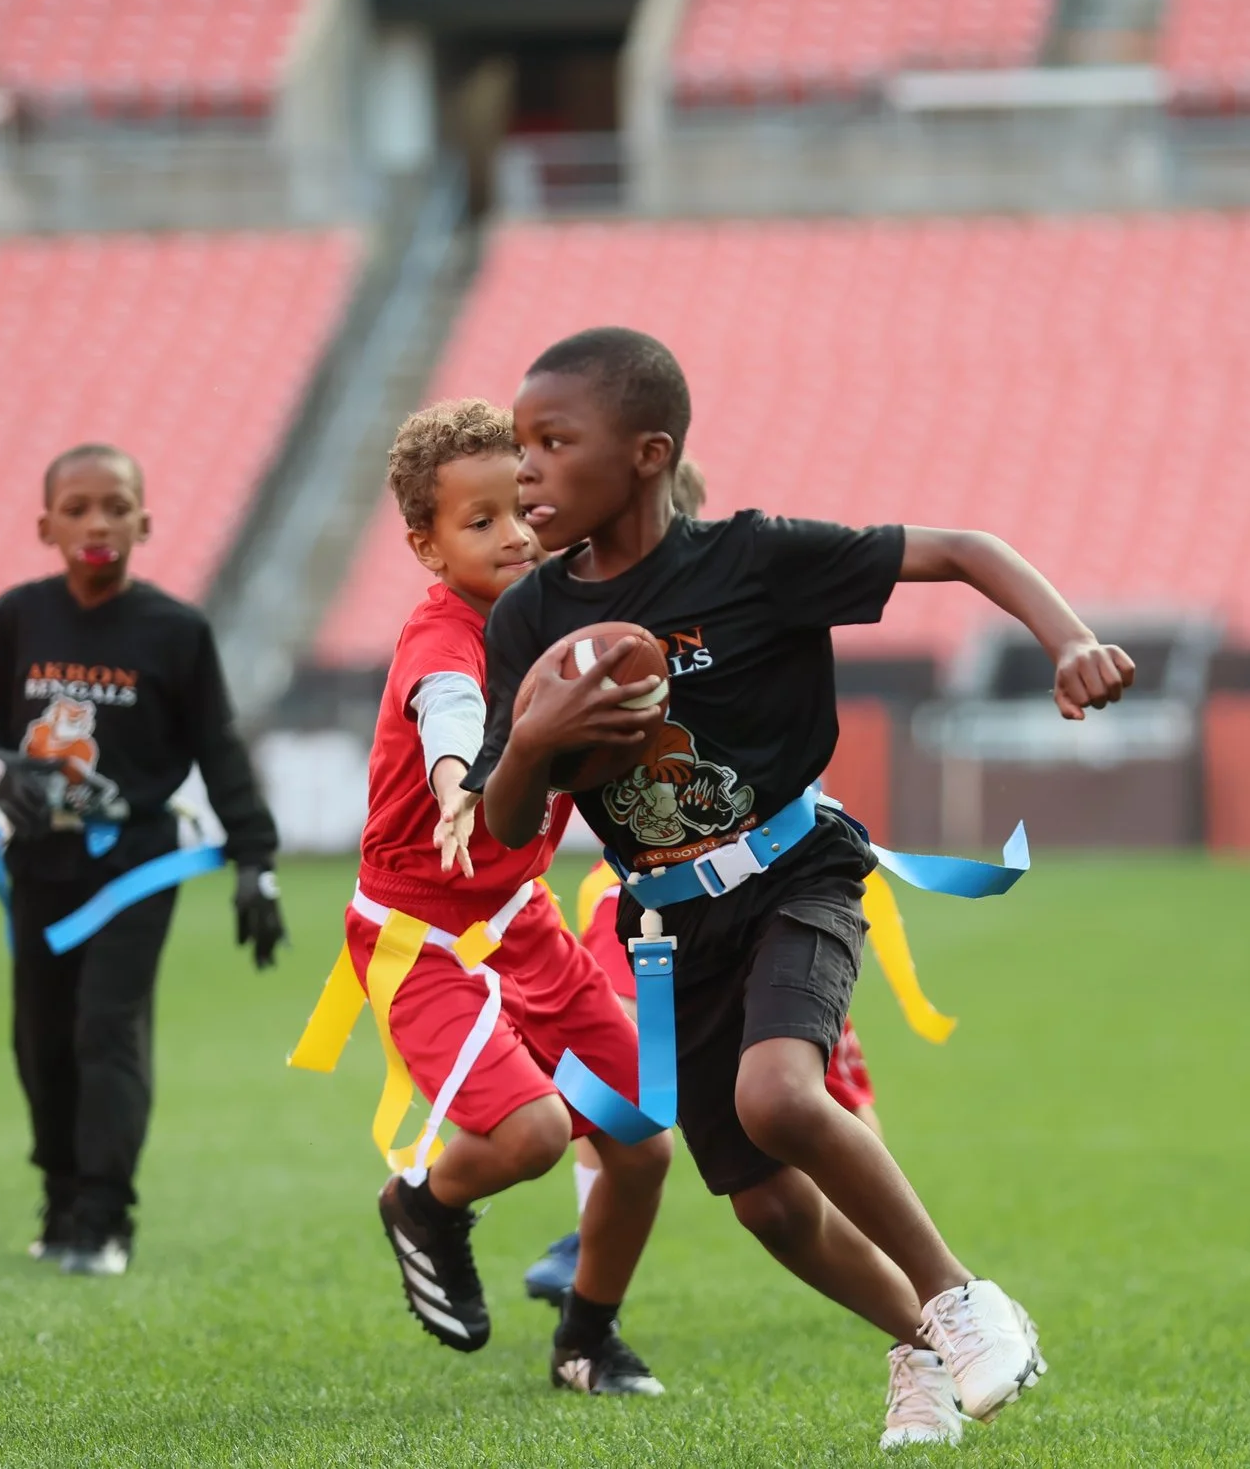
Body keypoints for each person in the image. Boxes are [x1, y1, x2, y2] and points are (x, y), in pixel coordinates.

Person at [467, 327, 1135, 1448]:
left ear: (646, 452)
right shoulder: (526, 622)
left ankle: (968, 1300)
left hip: (795, 870)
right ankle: (924, 1353)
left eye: (550, 440)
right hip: (673, 924)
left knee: (777, 1097)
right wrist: (532, 742)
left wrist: (1066, 638)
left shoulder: (753, 558)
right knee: (768, 1202)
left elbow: (964, 547)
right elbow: (501, 819)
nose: (520, 467)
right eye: (515, 443)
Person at [351, 398, 669, 1394]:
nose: (510, 535)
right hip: (418, 937)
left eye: (518, 511)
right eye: (475, 520)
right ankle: (422, 1202)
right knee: (529, 1133)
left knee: (641, 1136)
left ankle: (585, 1340)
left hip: (519, 922)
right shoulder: (443, 632)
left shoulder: (566, 614)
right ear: (424, 542)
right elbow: (448, 710)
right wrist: (458, 783)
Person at [524, 456, 882, 1308]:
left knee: (804, 1087)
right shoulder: (546, 623)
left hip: (779, 876)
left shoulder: (737, 583)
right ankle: (589, 1239)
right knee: (630, 1078)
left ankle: (915, 1266)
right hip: (644, 905)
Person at [0, 444, 285, 1277]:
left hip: (135, 863)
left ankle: (104, 1216)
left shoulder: (176, 631)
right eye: (79, 507)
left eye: (116, 506)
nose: (98, 523)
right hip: (39, 863)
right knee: (39, 1038)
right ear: (45, 523)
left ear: (145, 521)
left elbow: (220, 749)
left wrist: (255, 861)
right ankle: (59, 1198)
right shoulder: (18, 617)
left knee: (106, 1025)